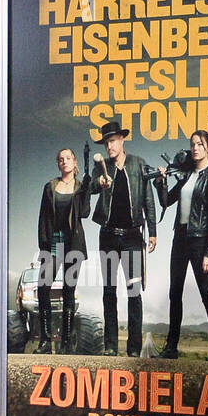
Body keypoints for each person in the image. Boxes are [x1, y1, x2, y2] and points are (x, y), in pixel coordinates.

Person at [152, 132, 208, 360]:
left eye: (199, 144)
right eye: (192, 145)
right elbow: (166, 201)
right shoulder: (186, 176)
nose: (195, 148)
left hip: (200, 239)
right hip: (180, 238)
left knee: (206, 293)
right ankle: (171, 347)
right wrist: (160, 183)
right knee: (175, 292)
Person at [90, 117, 156, 357]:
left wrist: (153, 232)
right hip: (107, 237)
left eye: (113, 141)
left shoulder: (139, 164)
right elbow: (90, 187)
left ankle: (134, 348)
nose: (109, 146)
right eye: (106, 143)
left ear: (122, 140)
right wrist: (100, 182)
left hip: (132, 238)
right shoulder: (101, 167)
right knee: (109, 291)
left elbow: (148, 198)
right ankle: (110, 346)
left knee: (133, 292)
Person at [35, 147, 92, 353]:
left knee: (69, 291)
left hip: (73, 244)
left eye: (68, 158)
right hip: (52, 242)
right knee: (43, 289)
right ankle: (45, 341)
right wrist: (43, 244)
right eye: (61, 159)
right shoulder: (49, 187)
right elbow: (43, 218)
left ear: (75, 162)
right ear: (58, 164)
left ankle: (66, 343)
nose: (64, 161)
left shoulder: (80, 187)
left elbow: (84, 213)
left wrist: (86, 189)